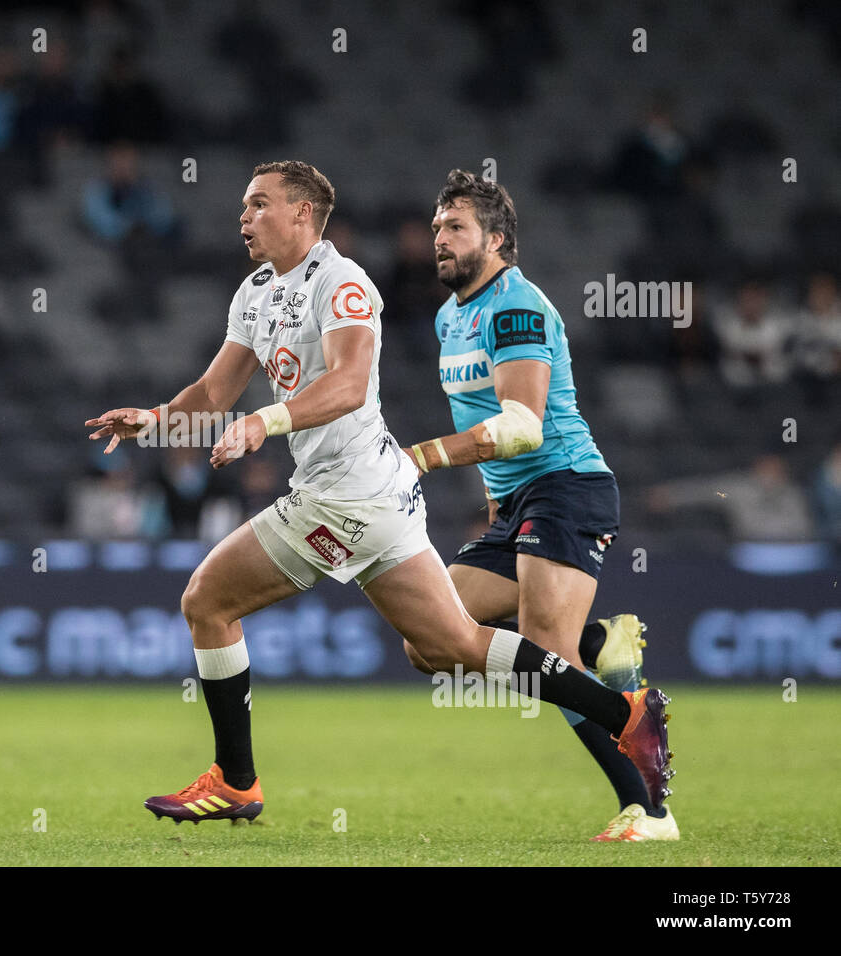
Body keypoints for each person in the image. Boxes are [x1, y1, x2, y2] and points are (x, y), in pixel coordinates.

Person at [85, 161, 672, 828]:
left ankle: (236, 780)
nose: (243, 218)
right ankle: (621, 707)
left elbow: (352, 384)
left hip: (351, 494)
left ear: (303, 213)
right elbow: (214, 392)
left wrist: (264, 422)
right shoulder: (259, 293)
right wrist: (159, 419)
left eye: (258, 205)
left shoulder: (345, 284)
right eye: (436, 226)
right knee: (444, 647)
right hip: (385, 493)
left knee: (207, 599)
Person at [398, 170, 676, 842]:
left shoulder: (517, 308)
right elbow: (488, 423)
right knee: (429, 639)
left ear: (495, 239)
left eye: (455, 226)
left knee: (545, 647)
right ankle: (599, 645)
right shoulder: (449, 314)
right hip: (517, 497)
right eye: (437, 226)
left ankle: (650, 811)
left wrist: (426, 456)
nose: (439, 237)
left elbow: (522, 426)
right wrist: (497, 504)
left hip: (567, 485)